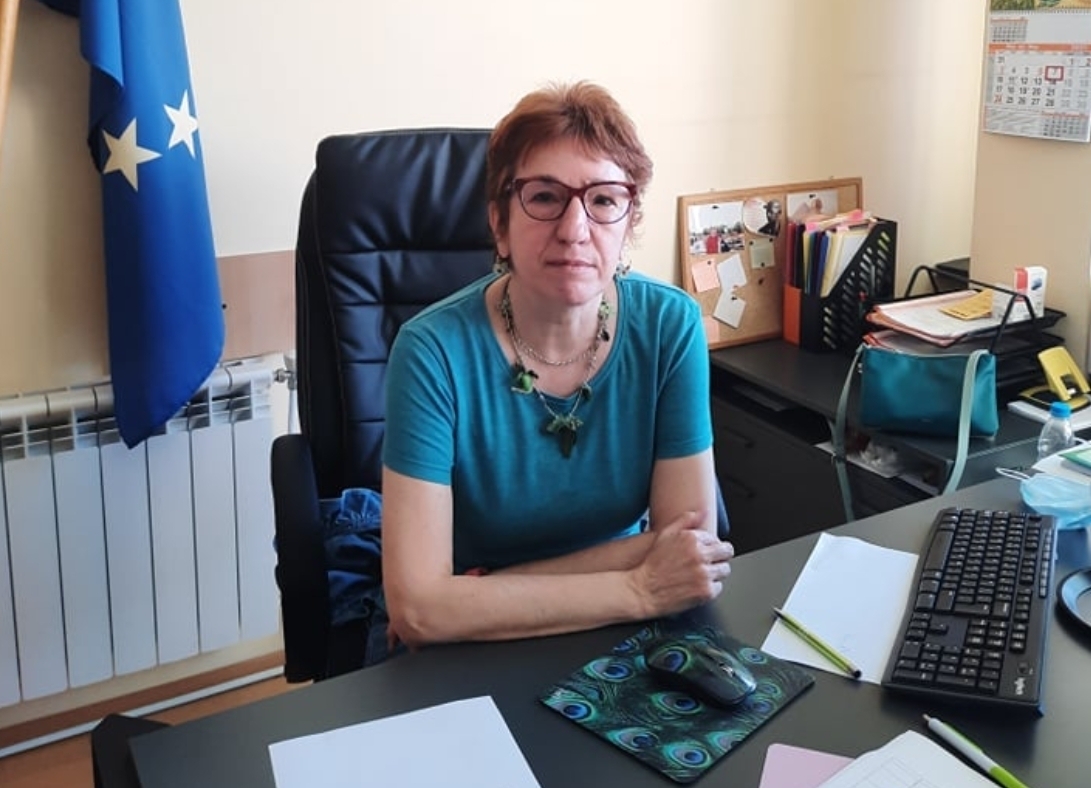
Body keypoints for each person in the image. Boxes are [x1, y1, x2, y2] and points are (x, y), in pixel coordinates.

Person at [380, 81, 734, 650]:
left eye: (604, 200)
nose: (574, 230)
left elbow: (689, 550)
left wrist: (477, 594)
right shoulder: (430, 352)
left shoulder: (671, 325)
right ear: (499, 224)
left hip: (590, 632)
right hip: (475, 650)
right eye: (544, 197)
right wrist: (639, 587)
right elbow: (419, 611)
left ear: (628, 223)